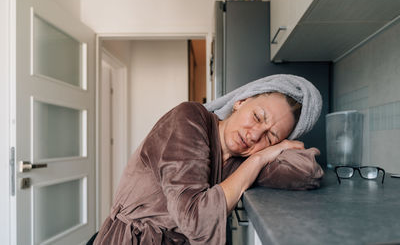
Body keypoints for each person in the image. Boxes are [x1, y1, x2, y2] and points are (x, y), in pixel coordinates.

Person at [93, 74, 324, 245]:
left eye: (271, 136)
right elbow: (196, 218)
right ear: (240, 102)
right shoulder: (189, 119)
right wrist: (260, 158)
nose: (254, 135)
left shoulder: (241, 161)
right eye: (257, 116)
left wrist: (268, 154)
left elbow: (308, 171)